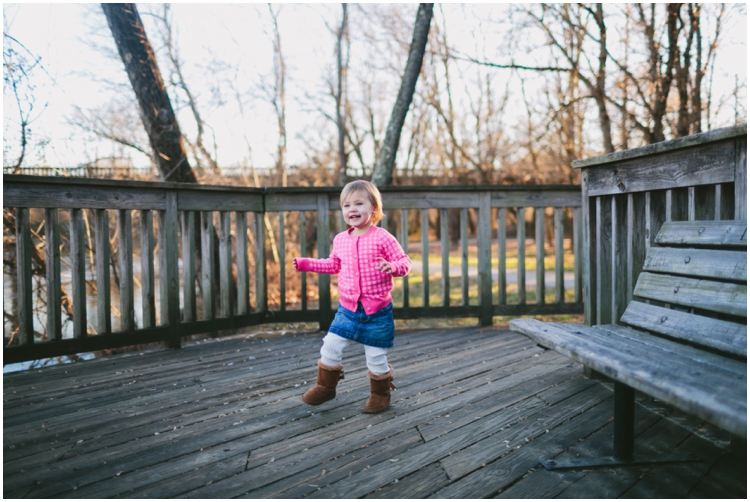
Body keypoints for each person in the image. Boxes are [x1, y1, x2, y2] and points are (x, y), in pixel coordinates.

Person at [293, 180, 411, 413]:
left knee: (375, 355)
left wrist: (393, 267)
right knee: (330, 346)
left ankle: (380, 393)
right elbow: (333, 264)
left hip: (377, 311)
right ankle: (326, 387)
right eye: (347, 205)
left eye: (359, 203)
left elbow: (404, 261)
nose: (352, 209)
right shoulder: (341, 239)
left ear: (374, 209)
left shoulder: (383, 237)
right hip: (347, 309)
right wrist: (307, 263)